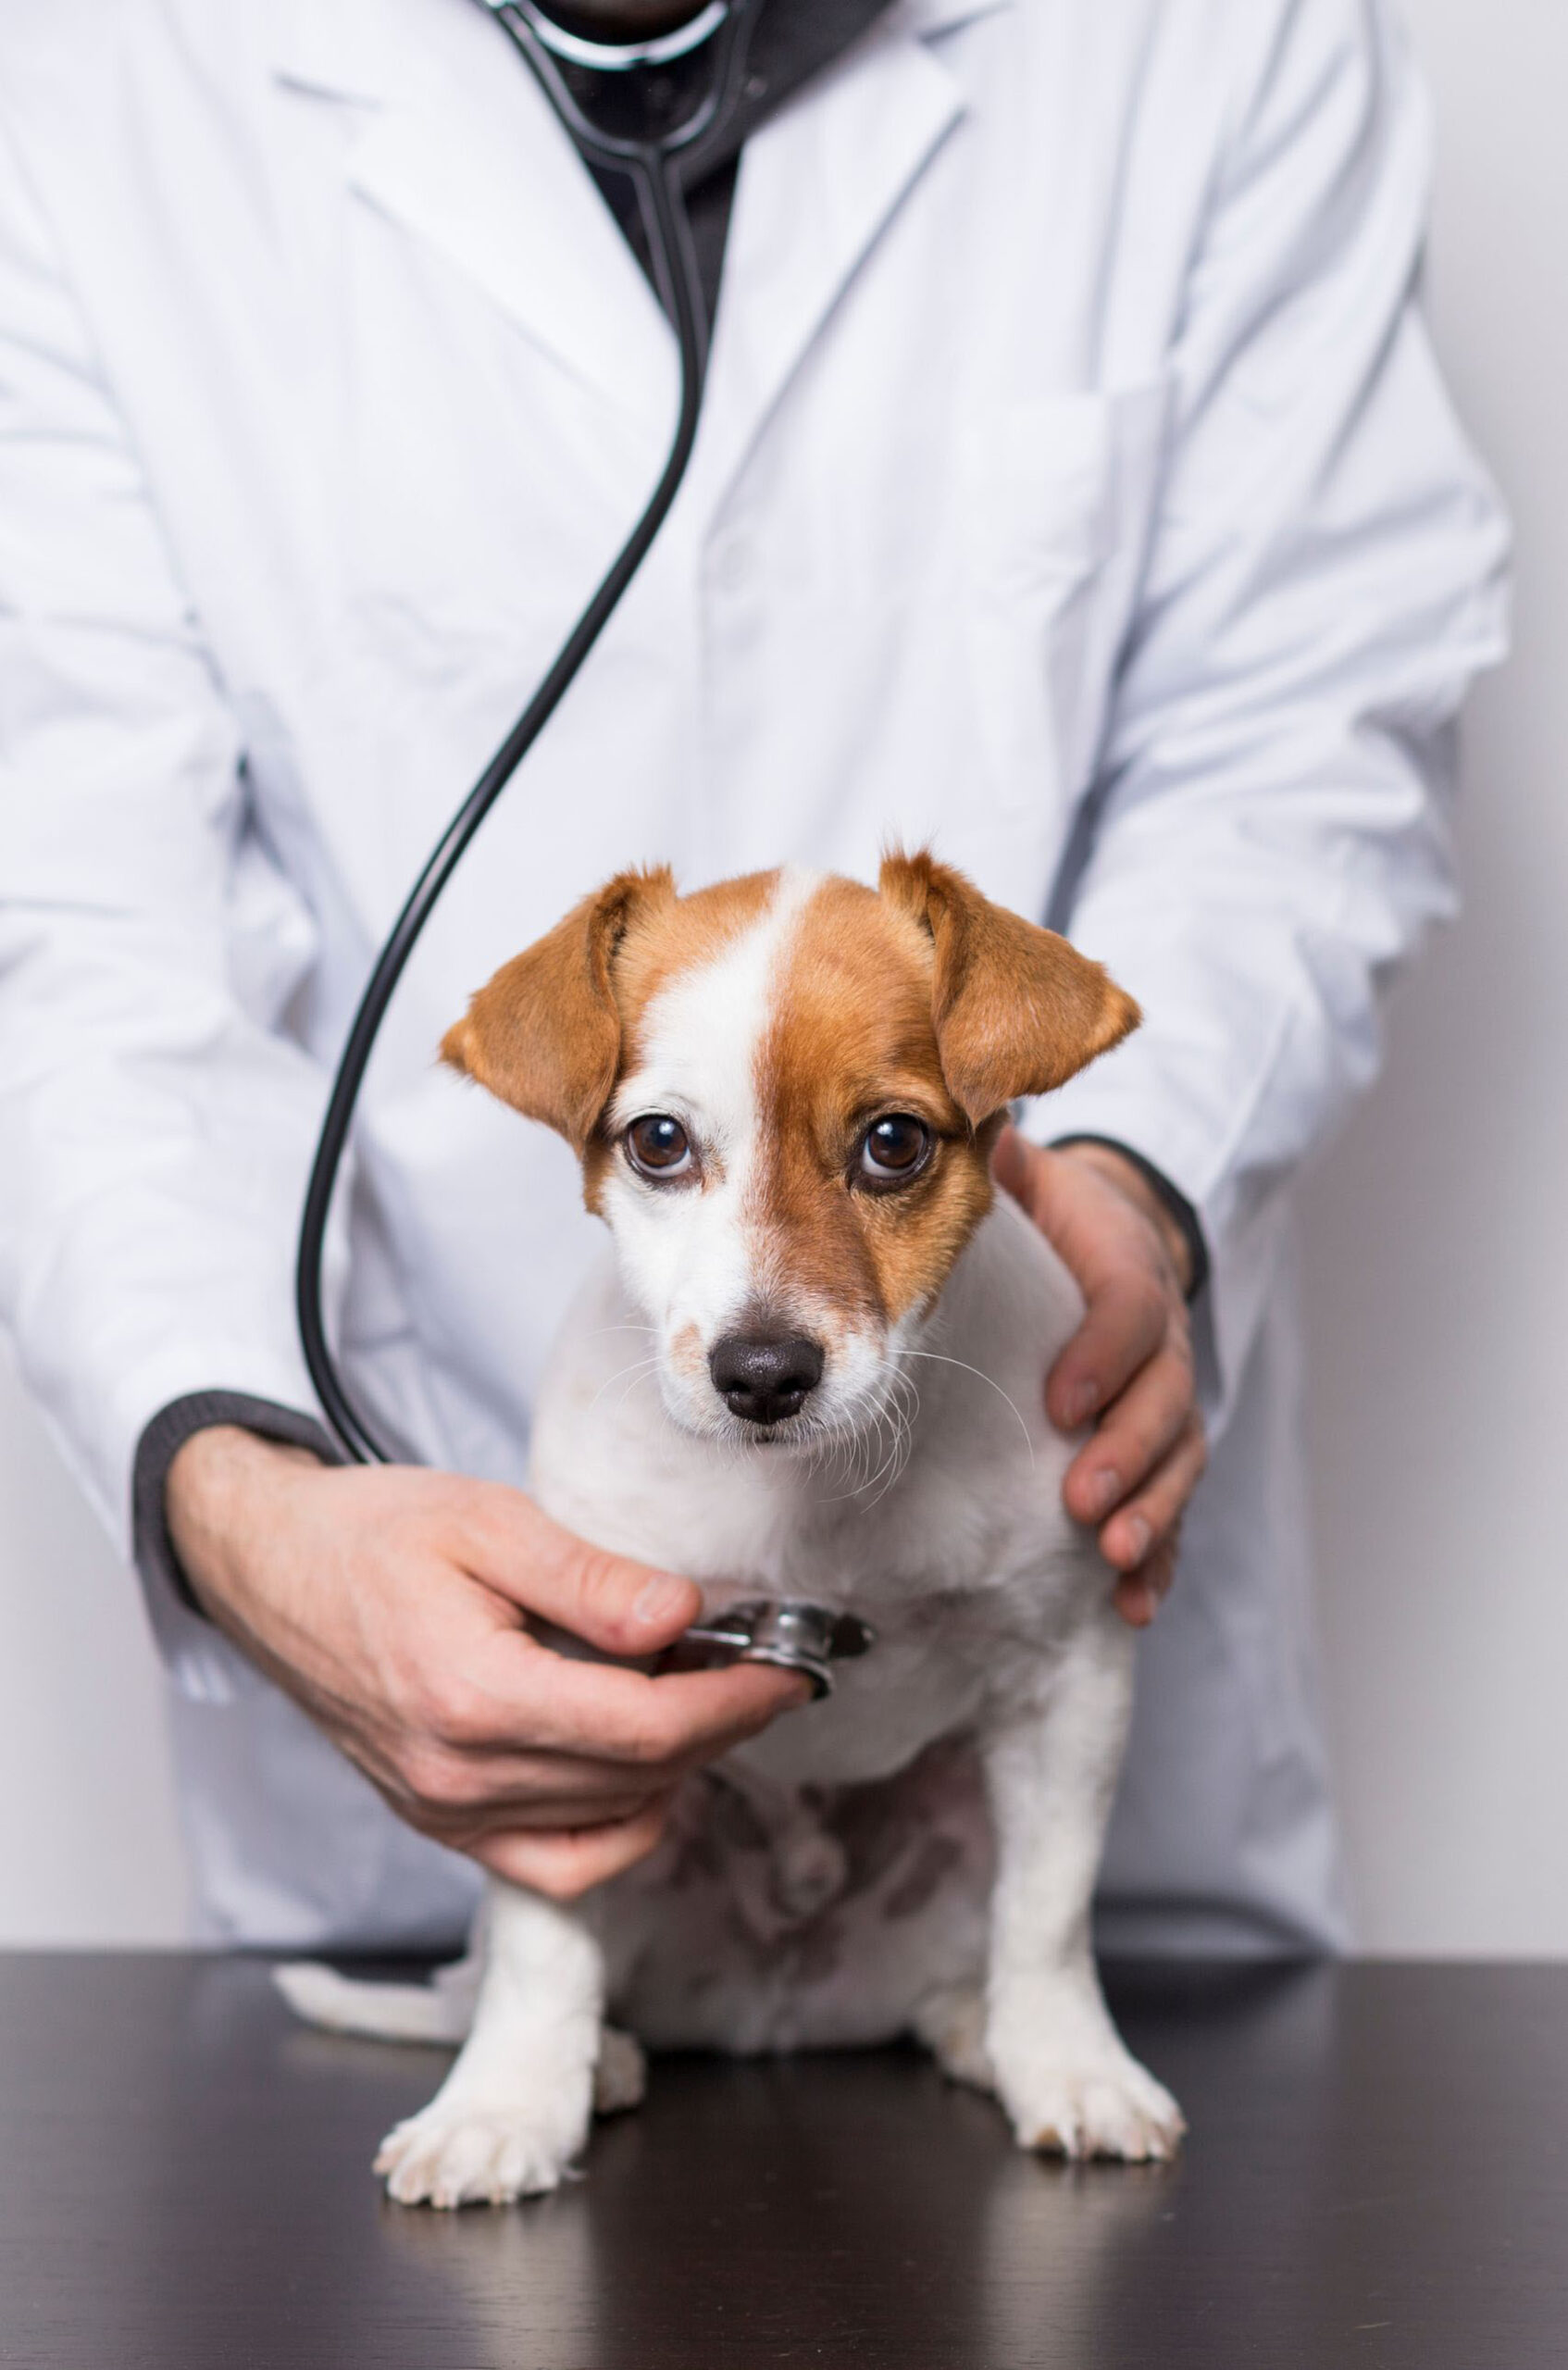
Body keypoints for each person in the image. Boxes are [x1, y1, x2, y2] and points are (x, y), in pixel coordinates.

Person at [0, 0, 1507, 1957]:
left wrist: (1134, 1186)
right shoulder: (104, 77)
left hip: (1042, 1703)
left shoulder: (1213, 35)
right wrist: (235, 1488)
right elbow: (65, 898)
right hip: (445, 1695)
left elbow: (1302, 723)